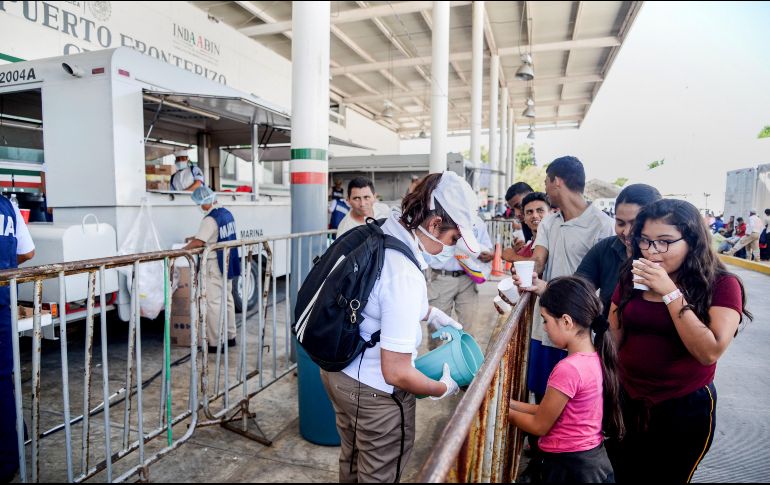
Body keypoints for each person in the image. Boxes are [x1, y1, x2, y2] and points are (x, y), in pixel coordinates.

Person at [320, 171, 481, 482]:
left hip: (337, 373)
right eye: (453, 238)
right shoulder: (404, 273)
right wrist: (441, 387)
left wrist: (429, 311)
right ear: (435, 225)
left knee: (352, 459)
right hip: (373, 392)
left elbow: (375, 296)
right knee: (379, 473)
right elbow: (397, 372)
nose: (452, 247)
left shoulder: (382, 230)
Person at [607, 199, 752, 483]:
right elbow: (615, 336)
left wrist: (670, 293)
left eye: (664, 242)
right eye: (645, 241)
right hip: (627, 400)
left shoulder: (722, 285)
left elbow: (709, 352)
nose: (652, 251)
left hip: (683, 407)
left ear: (692, 241)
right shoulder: (632, 275)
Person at [509, 277, 623, 484]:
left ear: (566, 321)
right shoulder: (594, 357)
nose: (544, 327)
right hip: (589, 461)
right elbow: (550, 410)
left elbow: (539, 426)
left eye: (545, 320)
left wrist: (502, 414)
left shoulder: (569, 369)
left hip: (569, 467)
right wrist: (510, 404)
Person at [522, 156, 615, 402]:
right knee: (543, 392)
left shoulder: (602, 225)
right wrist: (524, 269)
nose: (545, 188)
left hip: (579, 326)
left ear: (557, 182)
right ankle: (539, 442)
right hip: (546, 324)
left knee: (574, 398)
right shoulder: (549, 222)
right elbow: (539, 259)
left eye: (546, 182)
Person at [0, 194, 35, 482]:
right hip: (2, 304)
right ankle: (14, 440)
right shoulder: (8, 206)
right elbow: (27, 252)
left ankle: (6, 459)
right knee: (3, 377)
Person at [182, 186, 240, 352]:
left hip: (215, 265)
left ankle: (215, 343)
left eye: (198, 203)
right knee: (227, 300)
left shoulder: (209, 219)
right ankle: (230, 337)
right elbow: (216, 235)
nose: (198, 206)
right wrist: (194, 237)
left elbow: (200, 242)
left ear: (204, 202)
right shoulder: (226, 214)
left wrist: (182, 249)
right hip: (229, 263)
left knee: (213, 304)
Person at [426, 215, 493, 346]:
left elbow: (487, 248)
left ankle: (464, 362)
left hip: (467, 278)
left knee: (469, 328)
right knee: (437, 329)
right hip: (441, 277)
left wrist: (487, 255)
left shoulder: (476, 222)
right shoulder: (438, 219)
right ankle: (436, 363)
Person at [502, 192, 550, 262]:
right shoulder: (524, 250)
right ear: (524, 219)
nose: (535, 215)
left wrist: (513, 257)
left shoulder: (558, 241)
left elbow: (540, 264)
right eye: (529, 212)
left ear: (551, 214)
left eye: (540, 210)